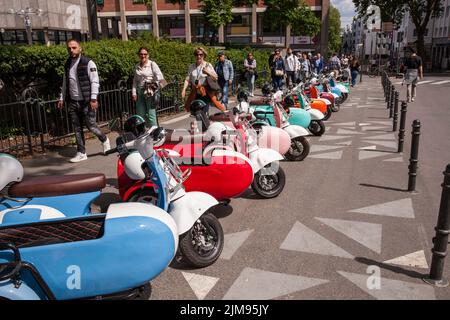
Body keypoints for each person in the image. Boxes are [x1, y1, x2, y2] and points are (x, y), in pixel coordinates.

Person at [57, 39, 110, 163]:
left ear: (80, 48)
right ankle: (81, 152)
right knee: (77, 128)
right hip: (73, 101)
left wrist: (93, 98)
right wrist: (62, 98)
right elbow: (65, 83)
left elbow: (95, 81)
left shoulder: (88, 63)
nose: (71, 50)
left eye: (74, 47)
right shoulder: (67, 63)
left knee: (91, 125)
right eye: (69, 48)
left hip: (86, 101)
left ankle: (104, 139)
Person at [182, 47, 225, 128]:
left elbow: (215, 77)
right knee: (197, 114)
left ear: (204, 55)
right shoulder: (191, 66)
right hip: (195, 93)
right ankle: (203, 130)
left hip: (206, 93)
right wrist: (183, 90)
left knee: (203, 112)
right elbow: (187, 79)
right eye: (197, 54)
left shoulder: (208, 65)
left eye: (201, 54)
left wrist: (207, 72)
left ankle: (206, 129)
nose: (199, 56)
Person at [132, 47, 166, 128]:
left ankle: (154, 133)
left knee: (151, 114)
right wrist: (134, 93)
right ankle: (143, 132)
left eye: (145, 54)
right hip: (140, 92)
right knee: (140, 114)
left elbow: (160, 78)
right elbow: (135, 81)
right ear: (139, 55)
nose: (143, 56)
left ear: (148, 55)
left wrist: (153, 86)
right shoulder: (137, 66)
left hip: (150, 93)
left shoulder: (152, 64)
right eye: (141, 54)